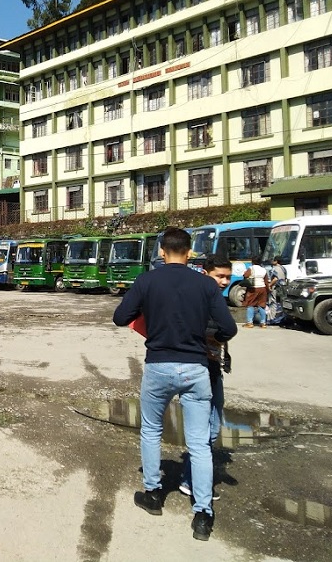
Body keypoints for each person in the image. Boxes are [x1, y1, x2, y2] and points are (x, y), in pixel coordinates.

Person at [113, 227, 237, 542]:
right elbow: (228, 327)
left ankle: (153, 495)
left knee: (152, 431)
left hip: (159, 365)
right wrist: (214, 340)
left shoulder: (147, 280)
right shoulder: (205, 284)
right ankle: (203, 515)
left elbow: (120, 316)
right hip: (196, 368)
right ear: (190, 252)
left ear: (162, 252)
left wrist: (148, 310)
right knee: (198, 443)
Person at [179, 254, 234, 501]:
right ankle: (194, 481)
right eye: (219, 276)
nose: (223, 282)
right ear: (206, 274)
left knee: (211, 423)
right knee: (207, 428)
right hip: (203, 367)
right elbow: (206, 328)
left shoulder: (214, 298)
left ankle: (194, 477)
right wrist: (218, 336)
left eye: (227, 277)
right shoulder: (203, 299)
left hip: (212, 367)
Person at [242, 255, 270, 328]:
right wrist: (268, 290)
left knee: (250, 305)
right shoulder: (263, 270)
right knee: (262, 305)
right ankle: (263, 323)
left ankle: (250, 323)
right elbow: (266, 281)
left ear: (252, 261)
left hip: (253, 289)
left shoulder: (251, 269)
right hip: (262, 289)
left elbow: (245, 275)